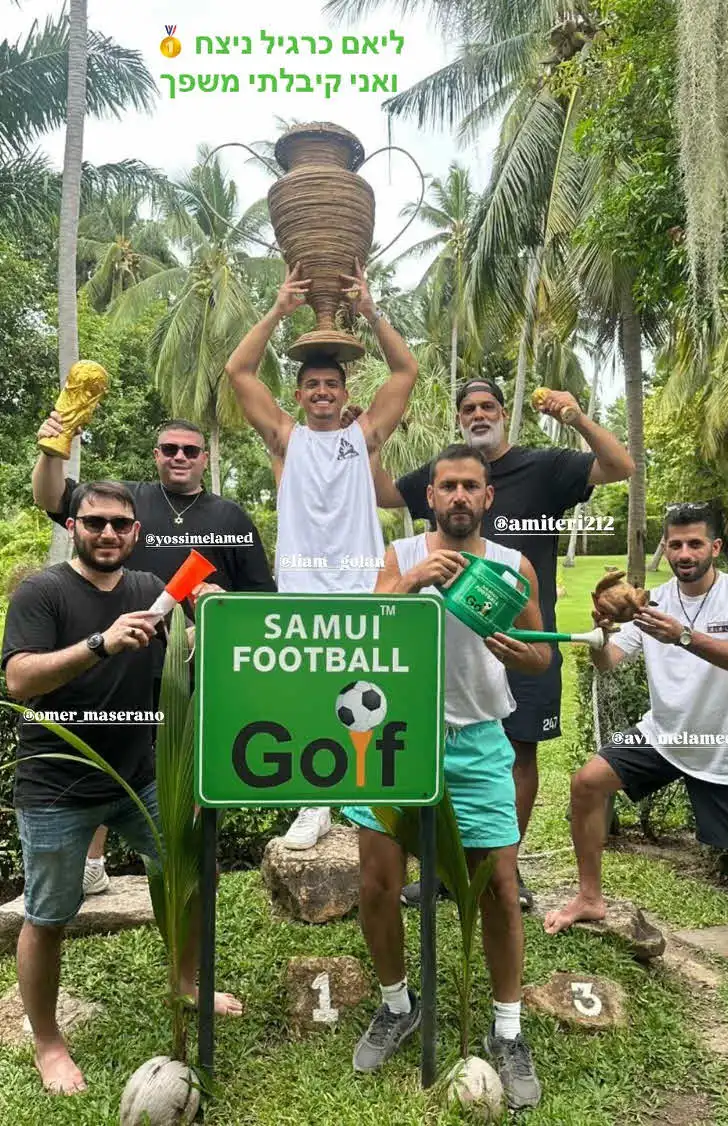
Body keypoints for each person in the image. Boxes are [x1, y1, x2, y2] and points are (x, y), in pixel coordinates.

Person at [1, 481, 242, 1096]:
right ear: (75, 526)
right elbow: (20, 679)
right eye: (95, 522)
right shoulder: (43, 590)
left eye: (120, 524)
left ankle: (186, 983)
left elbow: (216, 630)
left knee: (193, 878)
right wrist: (98, 644)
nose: (108, 533)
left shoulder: (148, 590)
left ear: (136, 533)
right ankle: (49, 1041)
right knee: (49, 916)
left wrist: (211, 605)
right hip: (58, 784)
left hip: (143, 779)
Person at [342, 444, 552, 1110]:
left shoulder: (513, 568)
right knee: (378, 882)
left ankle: (507, 1029)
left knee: (496, 887)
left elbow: (539, 659)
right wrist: (410, 582)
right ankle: (397, 1004)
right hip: (396, 739)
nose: (459, 496)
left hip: (480, 742)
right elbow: (363, 634)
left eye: (472, 486)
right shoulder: (399, 558)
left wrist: (525, 656)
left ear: (489, 498)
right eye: (447, 487)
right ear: (429, 497)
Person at [373, 379, 634, 906]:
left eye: (488, 405)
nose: (478, 414)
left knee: (518, 751)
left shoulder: (546, 467)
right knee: (439, 750)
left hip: (523, 628)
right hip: (450, 641)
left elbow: (620, 466)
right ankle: (445, 867)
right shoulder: (442, 474)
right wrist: (372, 436)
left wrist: (578, 419)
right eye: (467, 408)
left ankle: (499, 863)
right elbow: (379, 493)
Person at [544, 503, 728, 1024]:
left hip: (727, 749)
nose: (684, 554)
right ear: (665, 549)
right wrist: (601, 632)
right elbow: (611, 663)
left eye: (695, 544)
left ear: (715, 548)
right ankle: (590, 897)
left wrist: (684, 637)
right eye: (675, 545)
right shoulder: (650, 603)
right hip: (664, 736)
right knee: (587, 782)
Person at [32, 416, 275, 893]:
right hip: (121, 650)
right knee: (111, 746)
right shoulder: (126, 501)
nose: (179, 457)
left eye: (189, 450)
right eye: (169, 449)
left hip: (192, 657)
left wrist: (217, 602)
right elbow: (52, 499)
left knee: (186, 763)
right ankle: (93, 863)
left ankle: (182, 869)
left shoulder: (229, 517)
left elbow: (261, 597)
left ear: (204, 458)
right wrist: (52, 449)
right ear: (156, 454)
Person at [225, 259, 419, 850]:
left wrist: (371, 312)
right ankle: (314, 804)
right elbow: (238, 369)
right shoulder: (287, 439)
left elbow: (406, 370)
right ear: (301, 393)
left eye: (331, 385)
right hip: (302, 585)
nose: (322, 393)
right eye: (312, 386)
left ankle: (363, 792)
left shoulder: (364, 438)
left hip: (363, 583)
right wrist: (280, 309)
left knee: (366, 688)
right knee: (311, 688)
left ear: (343, 392)